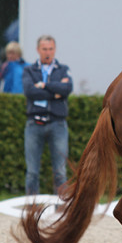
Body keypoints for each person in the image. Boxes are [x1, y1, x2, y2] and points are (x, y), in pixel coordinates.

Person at [22, 35, 73, 196]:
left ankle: (61, 208)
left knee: (60, 171)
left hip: (57, 124)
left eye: (50, 49)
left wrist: (44, 86)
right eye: (44, 49)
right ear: (38, 50)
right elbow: (30, 91)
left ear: (55, 49)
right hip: (34, 124)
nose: (47, 52)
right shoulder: (29, 70)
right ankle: (31, 207)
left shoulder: (63, 69)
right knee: (32, 172)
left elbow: (67, 89)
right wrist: (55, 92)